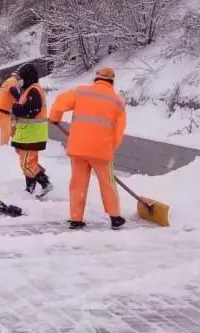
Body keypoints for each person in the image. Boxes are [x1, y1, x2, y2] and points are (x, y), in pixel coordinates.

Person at [48, 66, 127, 230]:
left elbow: (59, 104)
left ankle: (76, 219)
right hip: (101, 151)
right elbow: (119, 131)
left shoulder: (80, 92)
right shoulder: (118, 101)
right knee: (108, 184)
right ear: (112, 82)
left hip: (78, 148)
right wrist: (110, 148)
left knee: (78, 184)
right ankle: (115, 217)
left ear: (96, 79)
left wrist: (55, 118)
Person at [10, 62, 53, 198]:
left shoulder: (34, 90)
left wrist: (16, 108)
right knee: (28, 162)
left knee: (27, 164)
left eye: (20, 78)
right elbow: (27, 105)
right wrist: (17, 98)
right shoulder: (30, 90)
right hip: (26, 134)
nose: (18, 81)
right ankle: (30, 188)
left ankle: (45, 183)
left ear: (27, 77)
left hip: (32, 134)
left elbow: (30, 111)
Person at [0, 71, 20, 146]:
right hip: (4, 109)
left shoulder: (9, 80)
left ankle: (18, 143)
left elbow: (11, 96)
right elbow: (13, 90)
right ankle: (3, 148)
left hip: (4, 108)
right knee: (6, 130)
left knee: (12, 128)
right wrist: (21, 99)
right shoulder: (13, 81)